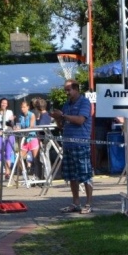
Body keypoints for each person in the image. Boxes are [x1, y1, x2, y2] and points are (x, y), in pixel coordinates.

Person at [51, 79, 93, 214]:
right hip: (68, 144)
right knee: (71, 176)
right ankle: (76, 203)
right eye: (65, 90)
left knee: (85, 174)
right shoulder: (66, 105)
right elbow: (61, 126)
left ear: (76, 89)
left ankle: (88, 203)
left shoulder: (84, 102)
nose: (67, 93)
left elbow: (80, 120)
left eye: (68, 90)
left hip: (81, 144)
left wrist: (63, 115)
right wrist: (57, 118)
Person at [0, 98, 15, 181]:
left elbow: (11, 123)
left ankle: (7, 173)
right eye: (2, 103)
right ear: (0, 103)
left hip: (9, 133)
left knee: (8, 154)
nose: (4, 104)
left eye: (5, 103)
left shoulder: (10, 112)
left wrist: (11, 120)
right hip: (0, 134)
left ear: (7, 104)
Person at [17, 100, 38, 178]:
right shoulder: (20, 116)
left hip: (32, 138)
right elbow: (19, 126)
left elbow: (31, 126)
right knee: (19, 158)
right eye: (21, 107)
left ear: (28, 107)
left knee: (35, 159)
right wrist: (16, 128)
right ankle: (25, 174)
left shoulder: (32, 115)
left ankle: (36, 175)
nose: (22, 109)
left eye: (24, 107)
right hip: (25, 139)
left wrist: (23, 130)